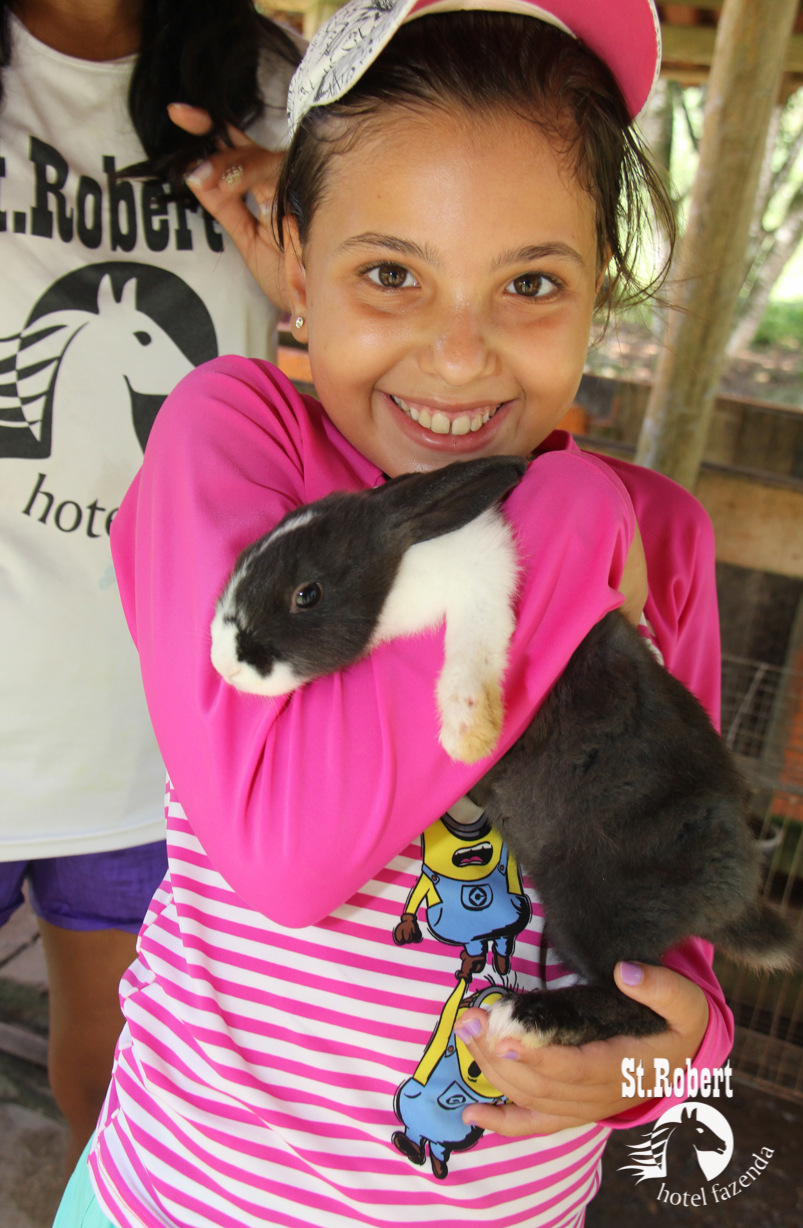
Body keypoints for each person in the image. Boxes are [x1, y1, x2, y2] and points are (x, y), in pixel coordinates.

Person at [55, 0, 734, 1224]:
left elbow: (678, 928)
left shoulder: (665, 541)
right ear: (294, 262)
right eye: (389, 274)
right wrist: (567, 522)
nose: (459, 357)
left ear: (599, 291)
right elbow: (286, 852)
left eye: (531, 282)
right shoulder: (243, 446)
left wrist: (662, 1061)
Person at [0, 0, 300, 1174]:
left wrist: (321, 252)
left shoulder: (270, 85)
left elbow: (364, 347)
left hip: (155, 734)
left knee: (121, 1088)